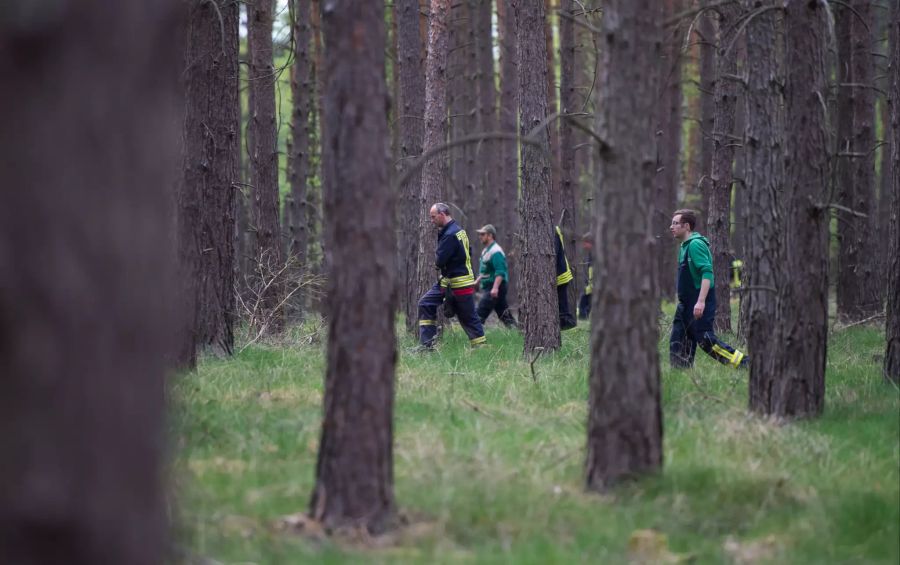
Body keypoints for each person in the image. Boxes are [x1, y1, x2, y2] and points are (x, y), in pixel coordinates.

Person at [669, 209, 749, 369]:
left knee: (706, 341)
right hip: (685, 303)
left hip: (698, 302)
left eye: (675, 223)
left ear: (686, 226)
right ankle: (681, 373)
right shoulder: (684, 246)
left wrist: (700, 302)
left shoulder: (695, 245)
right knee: (679, 338)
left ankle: (743, 363)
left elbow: (707, 274)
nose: (671, 227)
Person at [417, 203, 486, 349]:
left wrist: (438, 264)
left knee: (468, 316)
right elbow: (470, 251)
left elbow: (440, 260)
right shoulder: (459, 230)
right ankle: (427, 345)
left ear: (442, 215)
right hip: (450, 281)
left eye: (433, 217)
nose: (431, 220)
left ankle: (481, 347)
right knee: (425, 303)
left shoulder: (449, 235)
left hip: (458, 283)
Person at [474, 224, 517, 328]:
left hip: (495, 286)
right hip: (492, 286)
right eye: (480, 234)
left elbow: (500, 271)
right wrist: (477, 281)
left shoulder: (496, 251)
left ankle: (476, 336)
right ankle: (516, 331)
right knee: (503, 313)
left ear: (490, 236)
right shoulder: (486, 250)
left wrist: (495, 288)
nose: (480, 236)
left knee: (480, 313)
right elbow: (485, 270)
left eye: (483, 234)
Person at [555, 225, 577, 330]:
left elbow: (553, 254)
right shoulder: (555, 229)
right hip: (561, 273)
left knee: (563, 308)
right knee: (562, 304)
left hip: (560, 275)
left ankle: (568, 326)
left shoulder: (552, 230)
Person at [578, 231, 593, 320]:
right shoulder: (590, 253)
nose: (583, 245)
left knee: (584, 303)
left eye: (585, 243)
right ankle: (584, 319)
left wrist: (591, 284)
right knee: (585, 303)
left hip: (591, 285)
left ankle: (583, 319)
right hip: (589, 284)